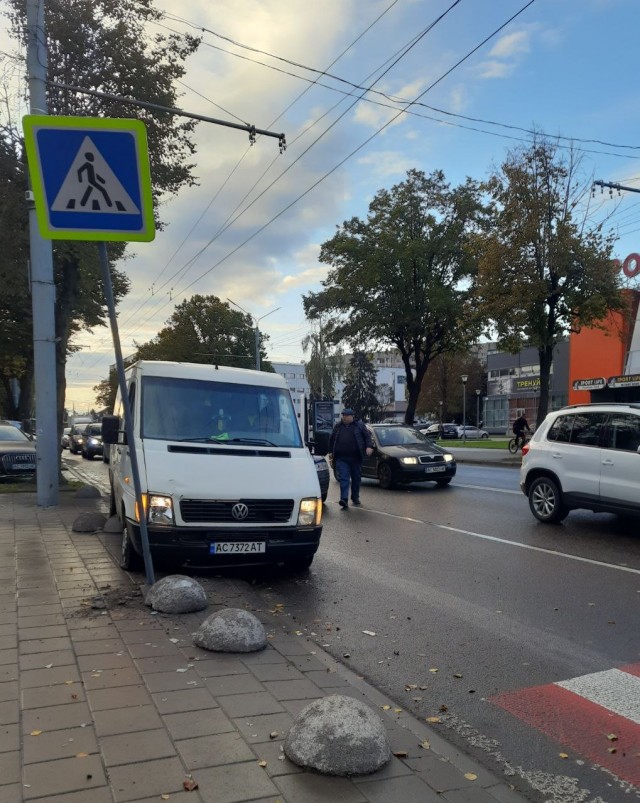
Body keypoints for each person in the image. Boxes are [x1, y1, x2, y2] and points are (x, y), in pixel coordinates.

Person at [329, 408, 374, 509]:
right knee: (344, 478)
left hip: (356, 458)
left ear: (352, 416)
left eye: (346, 415)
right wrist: (330, 452)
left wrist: (369, 447)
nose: (344, 417)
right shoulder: (338, 426)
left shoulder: (359, 426)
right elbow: (332, 439)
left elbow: (367, 437)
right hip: (342, 458)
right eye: (343, 415)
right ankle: (344, 499)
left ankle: (355, 497)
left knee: (356, 479)